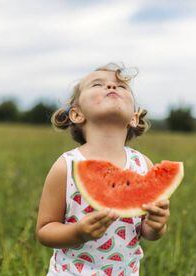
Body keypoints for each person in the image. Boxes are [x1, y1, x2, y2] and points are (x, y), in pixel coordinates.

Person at [36, 62, 170, 275]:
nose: (112, 87)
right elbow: (44, 230)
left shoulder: (143, 165)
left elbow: (145, 232)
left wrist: (156, 226)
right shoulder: (66, 166)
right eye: (98, 84)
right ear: (76, 114)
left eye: (122, 87)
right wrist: (77, 233)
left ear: (134, 118)